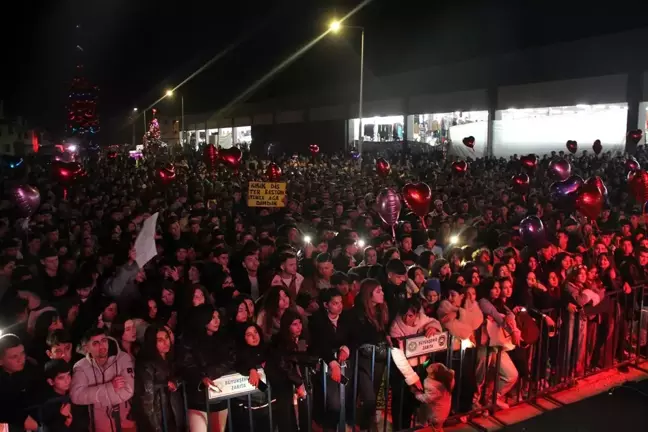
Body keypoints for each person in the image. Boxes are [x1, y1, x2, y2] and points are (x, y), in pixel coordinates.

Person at [177, 304, 234, 432]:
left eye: (218, 317)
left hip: (220, 394)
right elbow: (186, 365)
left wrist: (210, 373)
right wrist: (201, 377)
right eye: (212, 317)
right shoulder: (188, 341)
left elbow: (230, 361)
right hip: (198, 399)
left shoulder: (224, 339)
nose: (217, 320)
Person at [70, 327, 136, 432]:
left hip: (126, 422)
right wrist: (111, 387)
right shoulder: (81, 366)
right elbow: (76, 396)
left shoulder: (123, 358)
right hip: (99, 426)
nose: (102, 346)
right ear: (86, 348)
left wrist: (95, 396)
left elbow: (128, 390)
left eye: (104, 341)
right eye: (95, 343)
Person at [133, 325, 184, 432]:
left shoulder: (172, 358)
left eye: (166, 337)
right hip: (157, 416)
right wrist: (156, 428)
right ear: (152, 342)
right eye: (160, 340)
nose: (166, 342)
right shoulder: (146, 364)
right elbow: (147, 399)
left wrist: (175, 382)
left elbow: (182, 376)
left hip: (172, 413)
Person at [0, 334, 41, 432]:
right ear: (0, 361)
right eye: (14, 357)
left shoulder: (30, 368)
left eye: (22, 353)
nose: (21, 359)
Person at [41, 359, 88, 432]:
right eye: (61, 378)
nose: (67, 380)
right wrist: (66, 421)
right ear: (51, 381)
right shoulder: (48, 405)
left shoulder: (74, 394)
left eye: (68, 375)